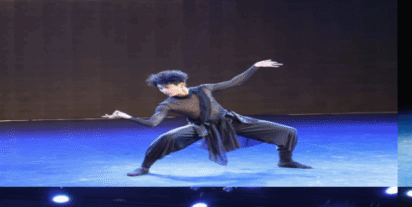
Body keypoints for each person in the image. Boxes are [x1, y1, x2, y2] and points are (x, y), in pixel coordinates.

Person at [104, 60, 311, 176]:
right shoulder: (167, 104)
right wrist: (127, 116)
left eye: (167, 87)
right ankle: (145, 167)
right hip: (201, 128)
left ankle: (285, 161)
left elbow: (234, 82)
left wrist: (255, 66)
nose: (164, 91)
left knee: (288, 131)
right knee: (165, 138)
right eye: (161, 88)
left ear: (181, 84)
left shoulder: (204, 88)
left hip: (230, 122)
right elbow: (152, 123)